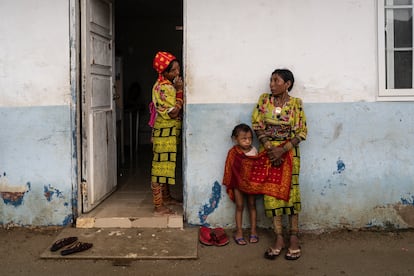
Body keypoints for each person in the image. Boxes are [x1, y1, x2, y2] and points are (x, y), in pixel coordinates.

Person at [251, 68, 307, 260]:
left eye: (276, 81)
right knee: (272, 197)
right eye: (271, 81)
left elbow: (301, 132)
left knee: (291, 196)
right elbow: (257, 125)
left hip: (289, 155)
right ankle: (279, 238)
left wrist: (282, 150)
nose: (272, 84)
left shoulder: (296, 104)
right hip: (268, 156)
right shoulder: (264, 100)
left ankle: (293, 238)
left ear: (288, 84)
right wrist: (269, 147)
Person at [150, 51, 184, 215]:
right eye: (174, 71)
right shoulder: (167, 88)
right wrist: (179, 92)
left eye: (178, 69)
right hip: (166, 133)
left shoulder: (160, 85)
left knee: (167, 166)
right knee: (160, 169)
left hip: (167, 132)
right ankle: (158, 206)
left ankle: (167, 197)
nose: (178, 73)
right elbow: (173, 113)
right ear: (164, 72)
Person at [222, 123, 259, 245]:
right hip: (238, 184)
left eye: (250, 138)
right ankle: (239, 231)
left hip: (252, 184)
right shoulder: (233, 152)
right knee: (239, 206)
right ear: (235, 139)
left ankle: (253, 231)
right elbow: (230, 169)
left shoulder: (254, 151)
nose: (247, 141)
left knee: (252, 205)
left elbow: (258, 168)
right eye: (244, 138)